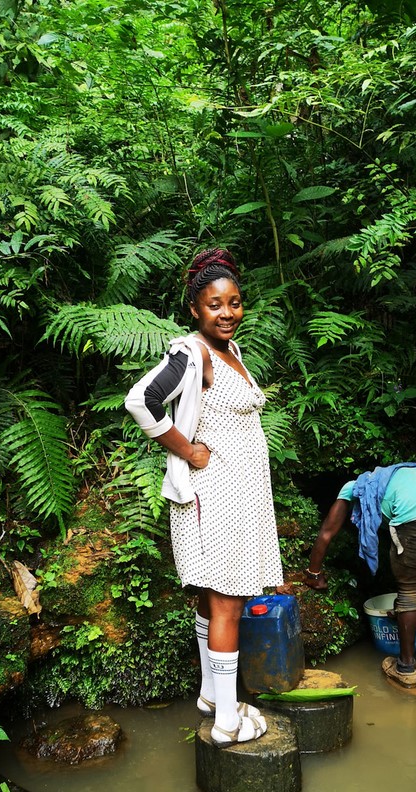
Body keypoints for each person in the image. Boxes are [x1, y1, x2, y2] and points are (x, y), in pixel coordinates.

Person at [124, 248, 283, 745]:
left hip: (240, 499)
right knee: (227, 605)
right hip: (216, 500)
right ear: (196, 308)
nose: (227, 313)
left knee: (211, 600)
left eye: (235, 303)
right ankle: (227, 724)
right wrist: (188, 451)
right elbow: (140, 400)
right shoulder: (191, 353)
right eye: (216, 304)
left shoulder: (229, 352)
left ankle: (212, 695)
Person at [304, 464, 416, 691]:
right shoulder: (395, 478)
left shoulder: (354, 487)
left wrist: (314, 574)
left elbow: (327, 531)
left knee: (408, 593)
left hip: (415, 514)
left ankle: (405, 669)